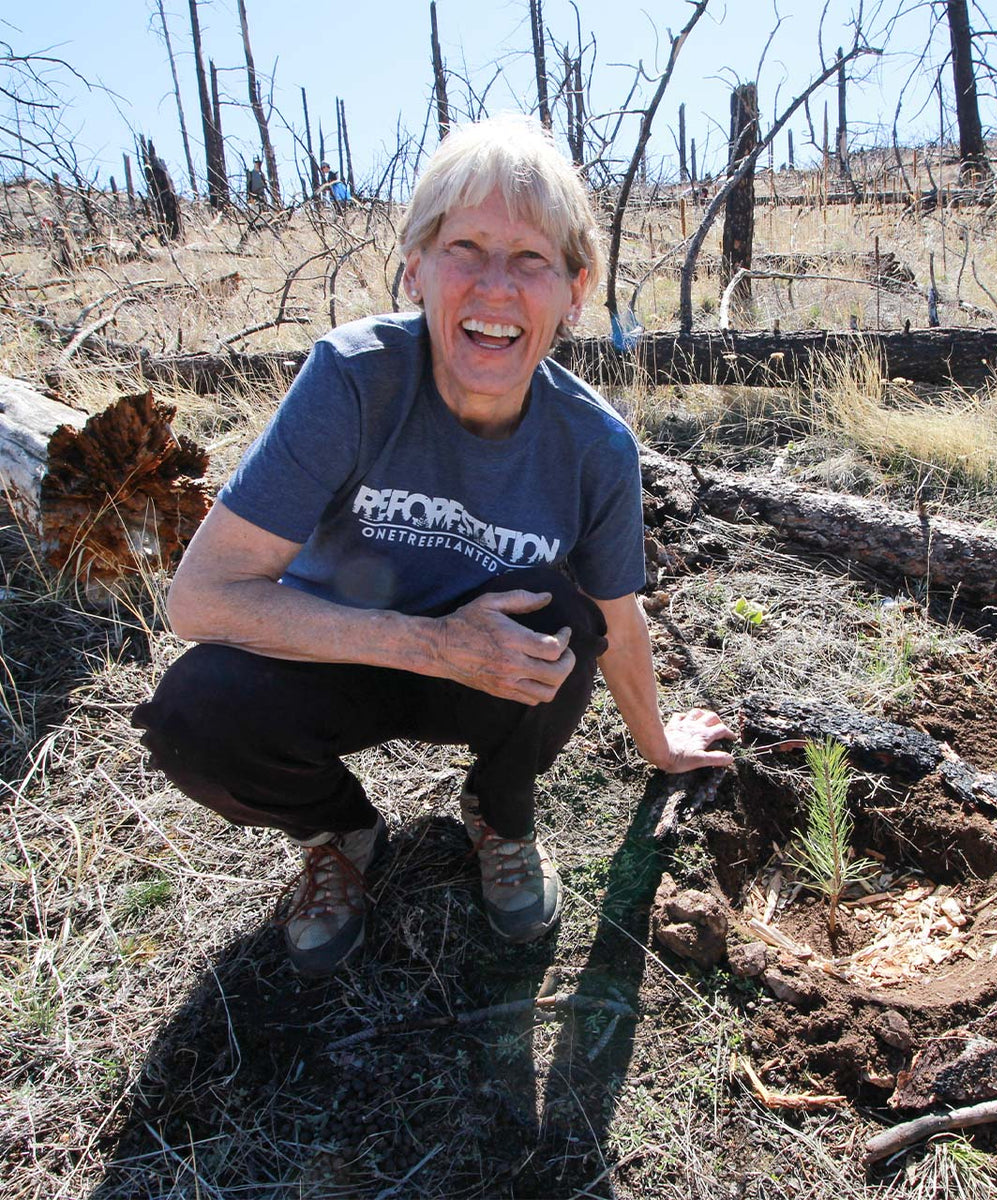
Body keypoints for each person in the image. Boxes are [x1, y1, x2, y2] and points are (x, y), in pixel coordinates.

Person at [132, 114, 734, 978]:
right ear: (415, 268)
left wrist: (659, 746)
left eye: (530, 258)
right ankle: (338, 833)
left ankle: (499, 816)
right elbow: (202, 599)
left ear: (575, 289)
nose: (495, 288)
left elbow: (616, 618)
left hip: (487, 682)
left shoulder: (594, 443)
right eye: (465, 249)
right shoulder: (353, 380)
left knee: (563, 619)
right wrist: (431, 644)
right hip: (335, 654)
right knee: (193, 713)